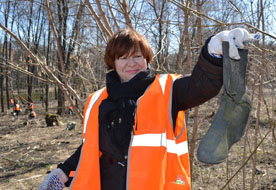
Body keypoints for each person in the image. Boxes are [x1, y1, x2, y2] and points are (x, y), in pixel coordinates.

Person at [39, 28, 258, 190]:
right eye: (123, 58)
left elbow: (200, 86)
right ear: (112, 63)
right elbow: (91, 146)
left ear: (147, 59)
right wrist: (63, 170)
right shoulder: (97, 100)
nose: (131, 63)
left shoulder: (167, 89)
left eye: (137, 56)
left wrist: (213, 52)